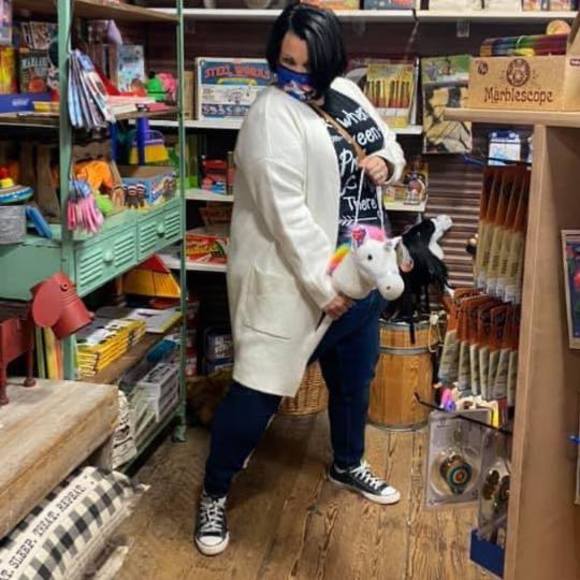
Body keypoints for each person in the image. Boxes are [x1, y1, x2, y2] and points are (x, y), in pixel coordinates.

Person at [195, 2, 406, 556]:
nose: (294, 75)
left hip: (361, 274)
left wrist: (387, 165)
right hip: (298, 288)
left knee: (354, 383)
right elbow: (285, 215)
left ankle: (347, 463)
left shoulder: (347, 94)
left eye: (307, 65)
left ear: (331, 62)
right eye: (285, 62)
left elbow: (388, 144)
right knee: (255, 396)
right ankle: (214, 490)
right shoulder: (270, 115)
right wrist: (323, 286)